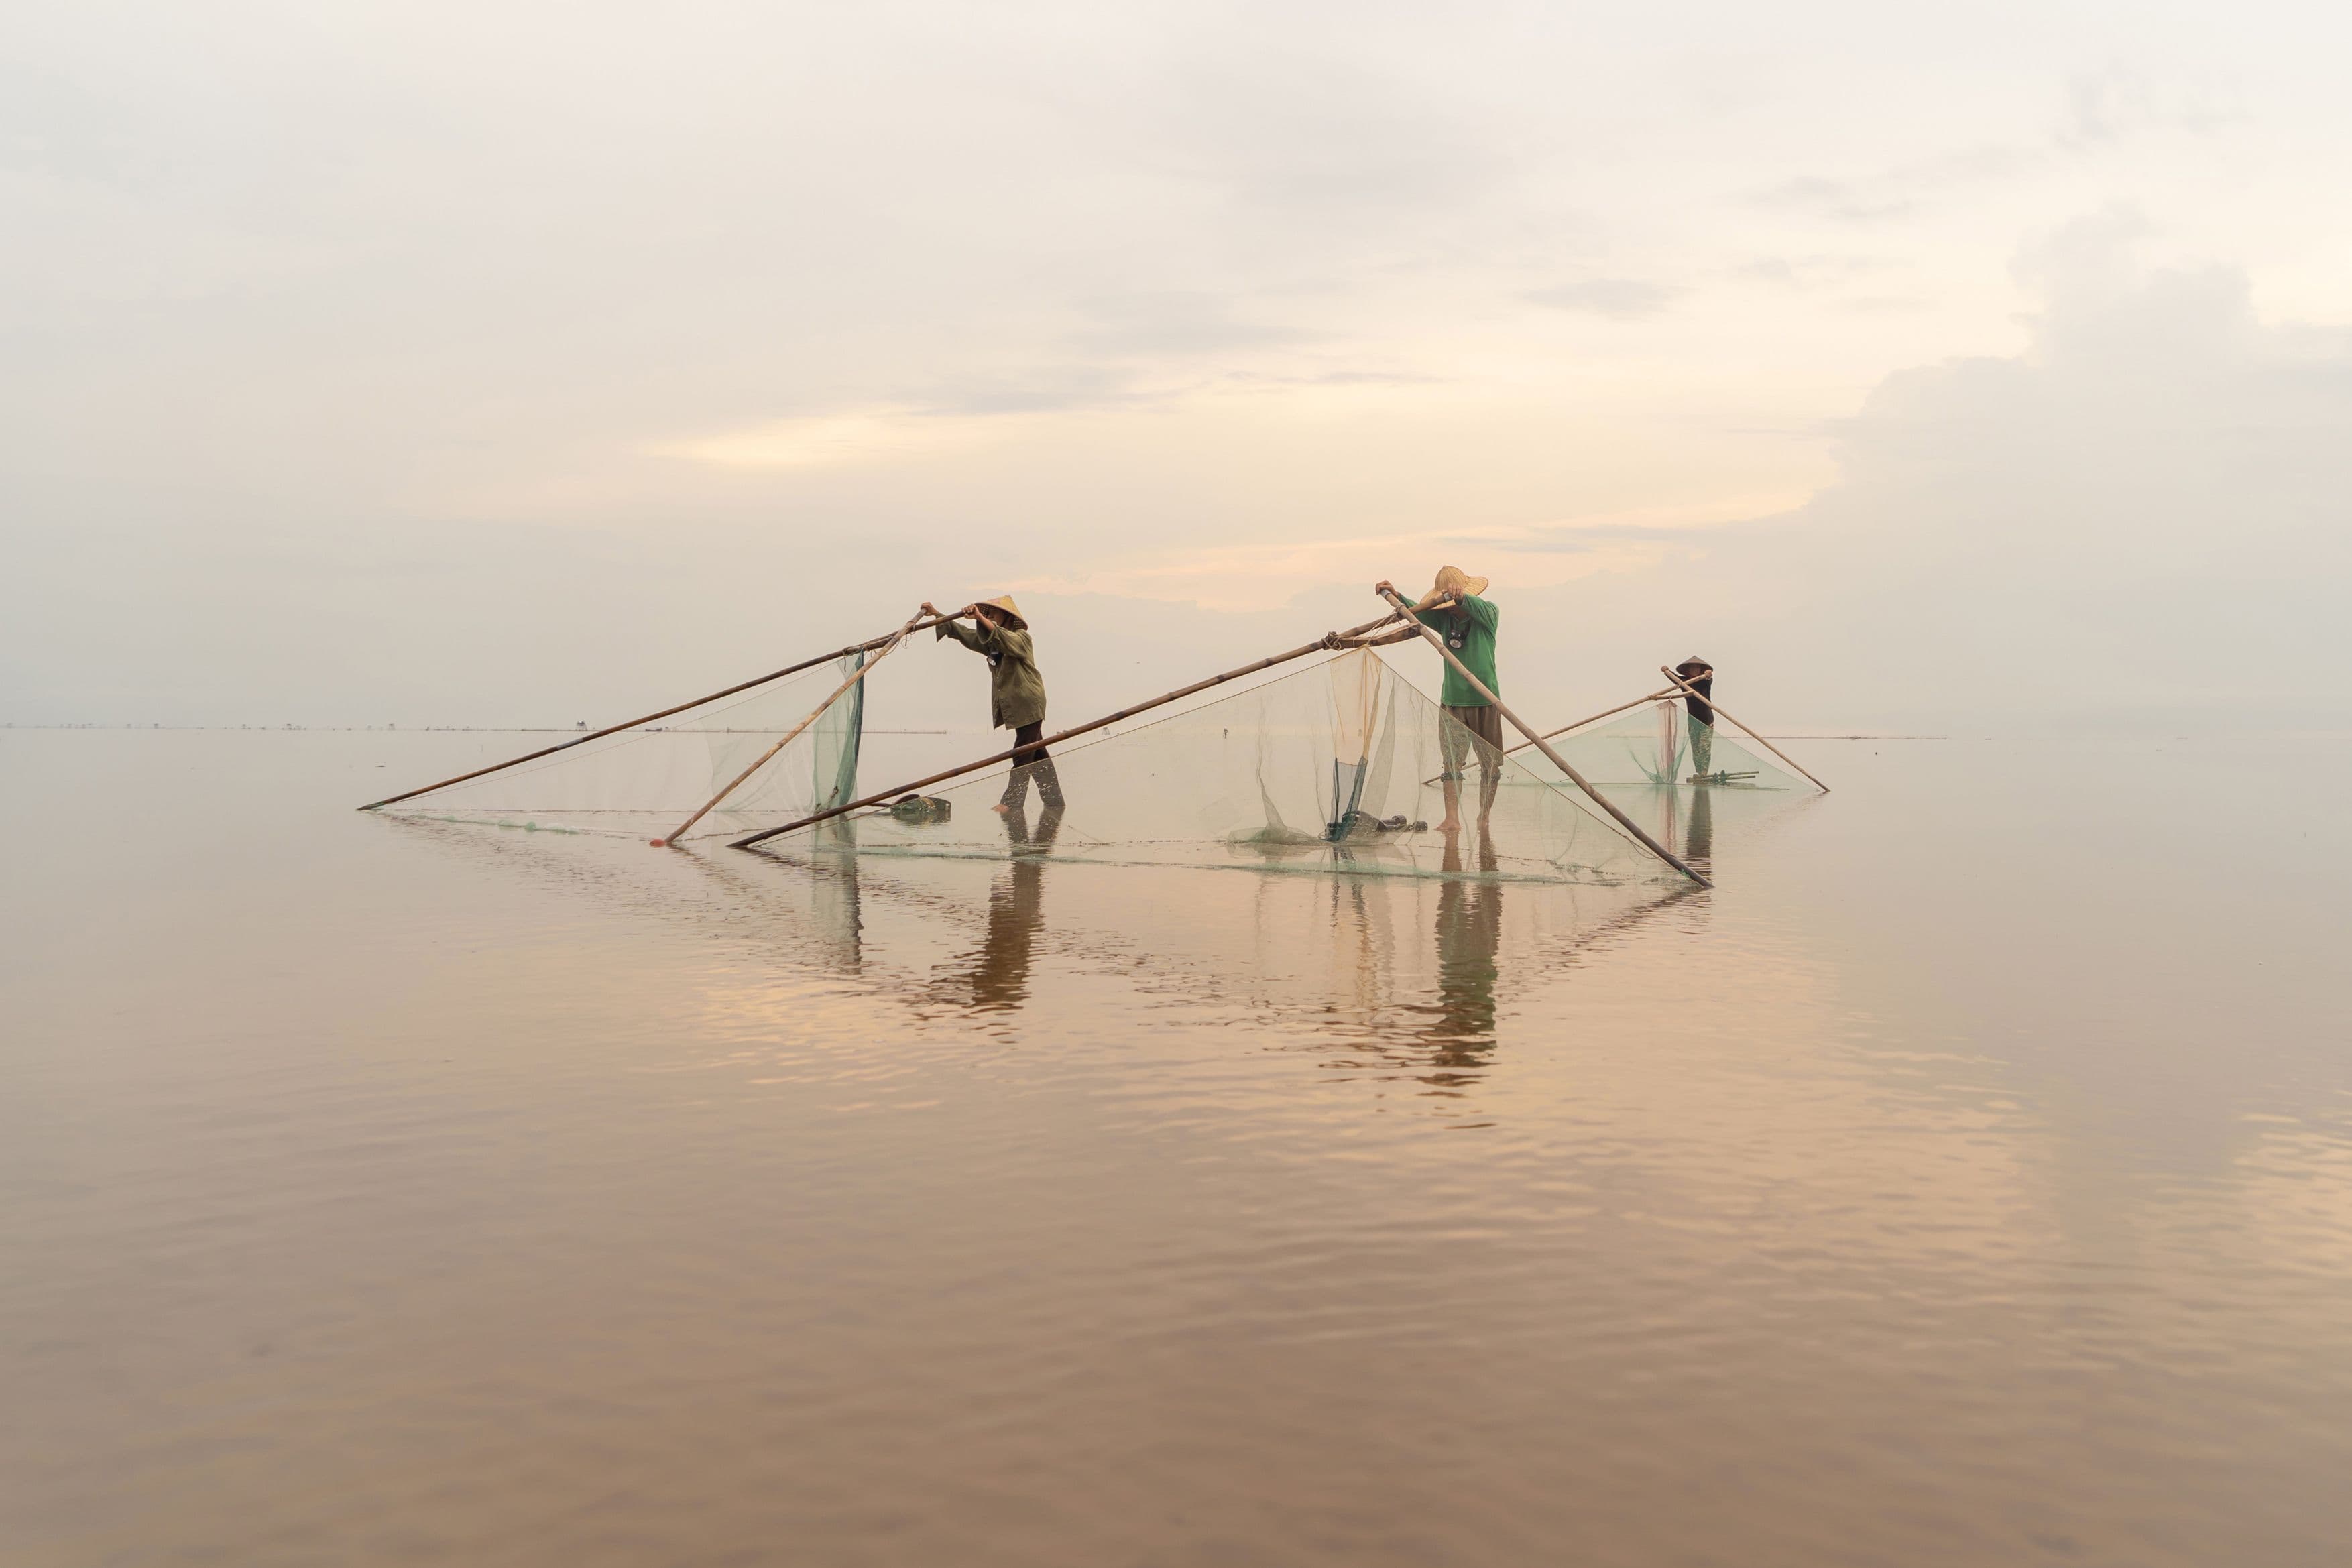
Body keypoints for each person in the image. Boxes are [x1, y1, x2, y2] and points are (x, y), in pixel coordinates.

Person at [1342, 567, 1503, 833]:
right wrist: (1396, 595)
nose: (1450, 608)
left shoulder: (1488, 613)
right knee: (1451, 764)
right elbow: (1418, 612)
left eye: (1453, 603)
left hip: (1486, 701)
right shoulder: (1444, 620)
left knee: (1491, 765)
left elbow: (1480, 609)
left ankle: (1484, 818)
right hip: (1452, 702)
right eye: (1447, 604)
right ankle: (1452, 819)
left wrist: (1463, 599)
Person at [923, 595, 1063, 813]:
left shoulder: (1022, 638)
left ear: (1007, 617)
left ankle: (1011, 803)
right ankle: (1055, 801)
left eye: (993, 613)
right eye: (987, 613)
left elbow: (1005, 639)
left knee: (1022, 753)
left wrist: (978, 616)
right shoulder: (992, 646)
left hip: (1029, 702)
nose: (990, 616)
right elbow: (965, 633)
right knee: (1037, 752)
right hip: (1016, 705)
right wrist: (937, 614)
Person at [1672, 656, 1714, 780]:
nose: (1695, 670)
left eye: (1697, 668)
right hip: (1693, 721)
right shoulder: (1684, 683)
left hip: (1707, 721)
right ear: (1688, 670)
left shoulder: (1704, 681)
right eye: (1692, 668)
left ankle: (1704, 773)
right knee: (1696, 749)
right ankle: (1699, 772)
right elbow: (1673, 677)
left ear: (1701, 669)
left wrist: (1708, 674)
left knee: (1704, 748)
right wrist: (1666, 671)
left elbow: (1709, 679)